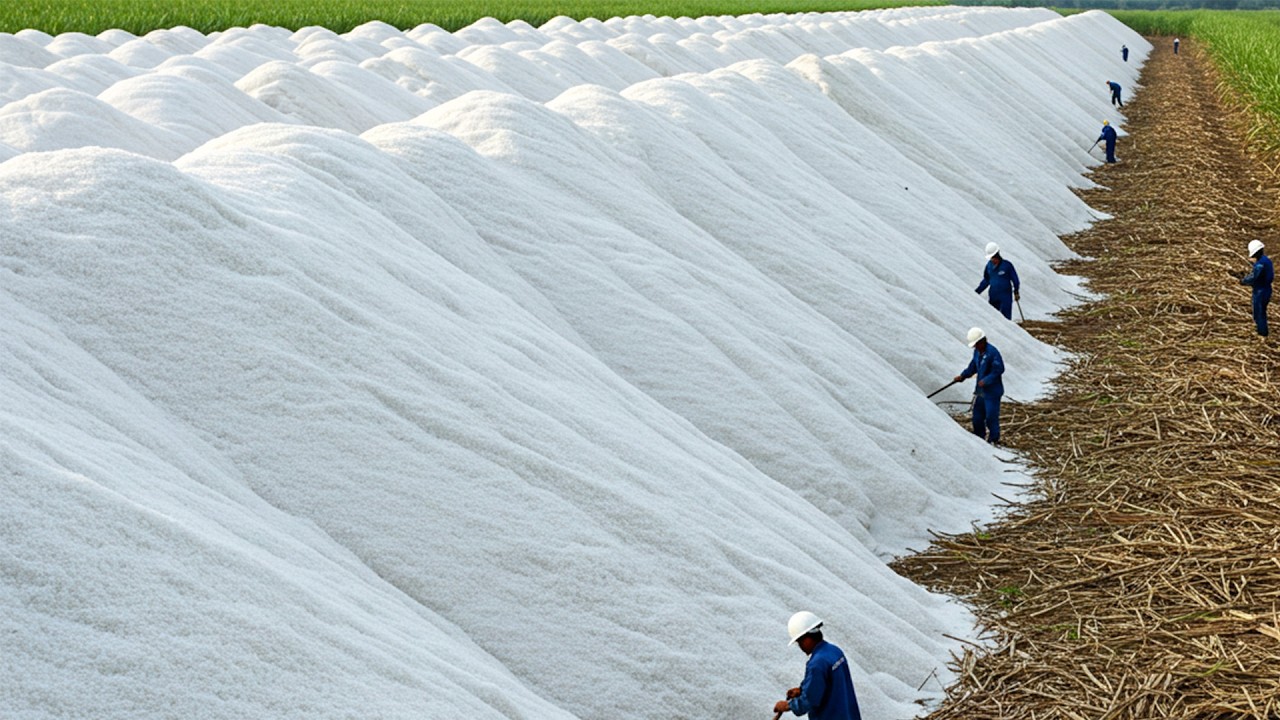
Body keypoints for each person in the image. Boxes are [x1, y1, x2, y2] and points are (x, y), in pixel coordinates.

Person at [774, 612, 862, 720]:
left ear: (807, 638)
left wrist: (787, 706)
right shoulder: (834, 651)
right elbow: (826, 682)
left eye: (799, 642)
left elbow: (810, 700)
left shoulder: (817, 663)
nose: (800, 647)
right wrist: (802, 690)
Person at [953, 327, 1004, 445]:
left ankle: (993, 439)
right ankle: (979, 439)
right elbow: (973, 367)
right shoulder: (977, 352)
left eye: (976, 344)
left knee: (991, 417)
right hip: (981, 391)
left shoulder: (993, 353)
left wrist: (986, 380)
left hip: (992, 392)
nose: (975, 347)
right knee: (977, 417)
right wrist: (963, 376)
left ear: (982, 341)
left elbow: (999, 369)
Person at [1237, 239, 1273, 339]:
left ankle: (1262, 333)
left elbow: (1254, 277)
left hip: (1260, 291)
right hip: (1267, 289)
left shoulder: (1259, 265)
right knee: (1262, 312)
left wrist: (1243, 281)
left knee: (1259, 313)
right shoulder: (1266, 260)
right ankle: (1263, 331)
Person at [975, 242, 1021, 320]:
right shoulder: (988, 266)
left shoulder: (1007, 266)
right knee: (993, 318)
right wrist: (977, 291)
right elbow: (986, 280)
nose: (992, 260)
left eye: (994, 258)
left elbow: (1015, 280)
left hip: (1005, 297)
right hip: (993, 296)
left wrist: (1016, 291)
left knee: (1006, 319)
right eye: (991, 258)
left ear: (998, 256)